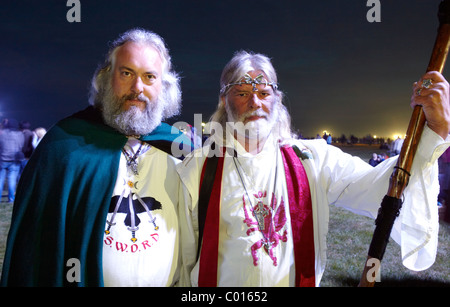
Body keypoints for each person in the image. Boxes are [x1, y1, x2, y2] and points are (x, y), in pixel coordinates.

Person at [177, 51, 450, 287]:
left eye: (263, 93)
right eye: (243, 93)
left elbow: (380, 185)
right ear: (225, 100)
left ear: (277, 99)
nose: (255, 102)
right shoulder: (199, 168)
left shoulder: (312, 159)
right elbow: (182, 261)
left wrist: (433, 131)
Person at [1, 28, 192, 287]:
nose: (138, 88)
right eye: (127, 73)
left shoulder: (181, 148)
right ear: (105, 78)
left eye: (149, 77)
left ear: (164, 86)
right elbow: (37, 249)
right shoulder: (64, 146)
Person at [0, 118, 24, 203]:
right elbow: (21, 145)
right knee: (12, 179)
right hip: (14, 159)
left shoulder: (1, 134)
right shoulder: (20, 134)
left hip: (2, 159)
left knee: (0, 179)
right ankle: (11, 198)